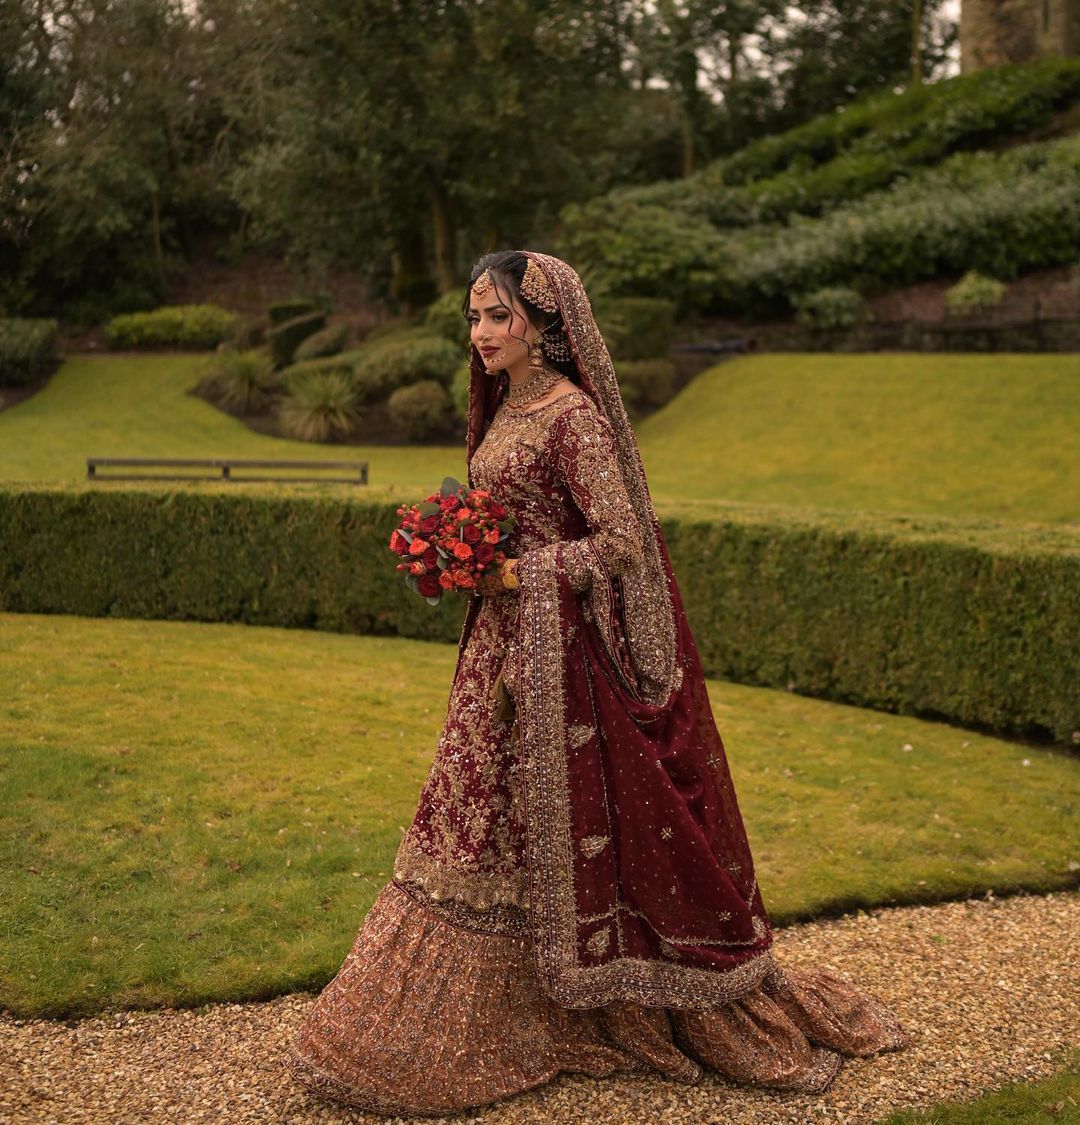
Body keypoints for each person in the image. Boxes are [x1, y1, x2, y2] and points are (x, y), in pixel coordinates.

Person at [286, 250, 912, 1116]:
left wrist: (522, 574)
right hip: (499, 651)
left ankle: (580, 1004)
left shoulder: (571, 416)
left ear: (544, 325)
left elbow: (620, 540)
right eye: (473, 320)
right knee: (475, 821)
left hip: (562, 660)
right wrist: (463, 555)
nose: (480, 335)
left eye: (496, 318)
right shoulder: (505, 408)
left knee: (513, 820)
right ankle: (481, 1010)